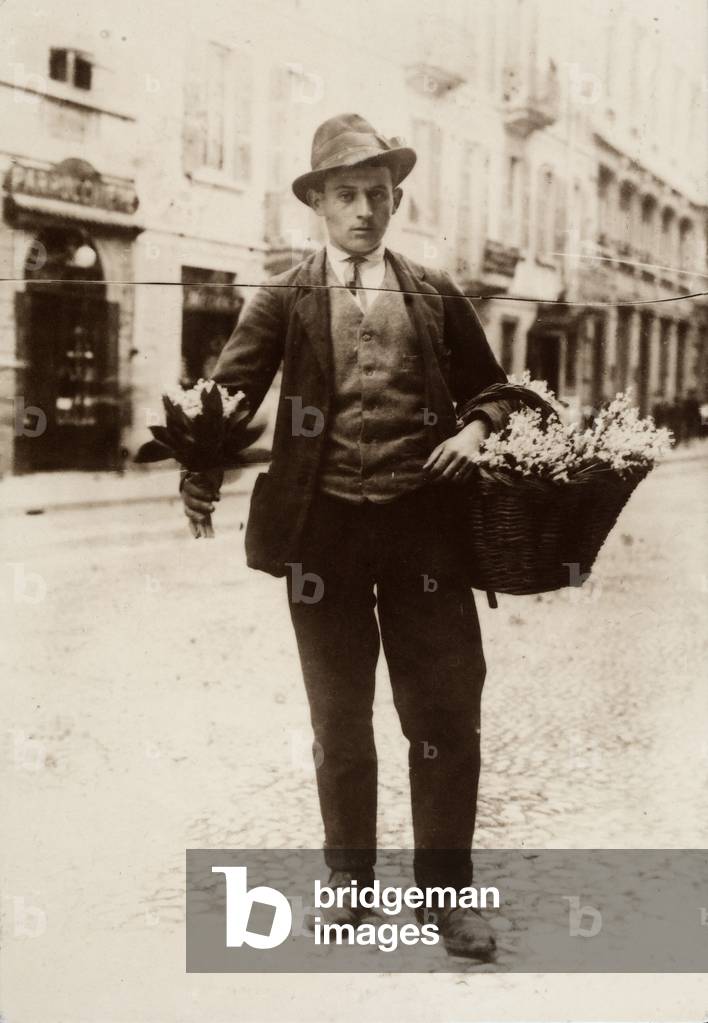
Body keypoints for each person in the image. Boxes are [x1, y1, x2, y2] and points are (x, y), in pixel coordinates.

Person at [181, 113, 517, 960]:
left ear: (396, 201)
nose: (362, 209)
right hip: (321, 534)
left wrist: (475, 434)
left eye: (376, 194)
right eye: (345, 195)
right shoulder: (285, 296)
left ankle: (445, 898)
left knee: (443, 713)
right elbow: (230, 394)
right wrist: (199, 462)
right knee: (339, 719)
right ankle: (348, 885)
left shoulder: (435, 293)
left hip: (423, 532)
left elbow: (497, 393)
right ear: (319, 205)